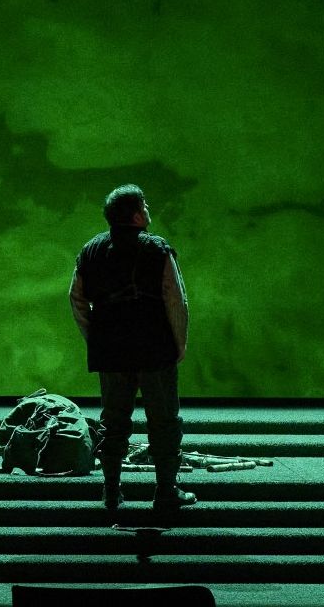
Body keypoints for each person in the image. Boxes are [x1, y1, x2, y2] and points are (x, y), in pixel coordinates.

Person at [69, 183, 195, 516]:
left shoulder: (91, 250)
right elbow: (175, 299)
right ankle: (165, 492)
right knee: (164, 422)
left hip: (112, 350)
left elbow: (77, 298)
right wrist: (179, 343)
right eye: (146, 205)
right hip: (154, 347)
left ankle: (111, 493)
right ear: (138, 214)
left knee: (113, 422)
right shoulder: (157, 249)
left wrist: (94, 336)